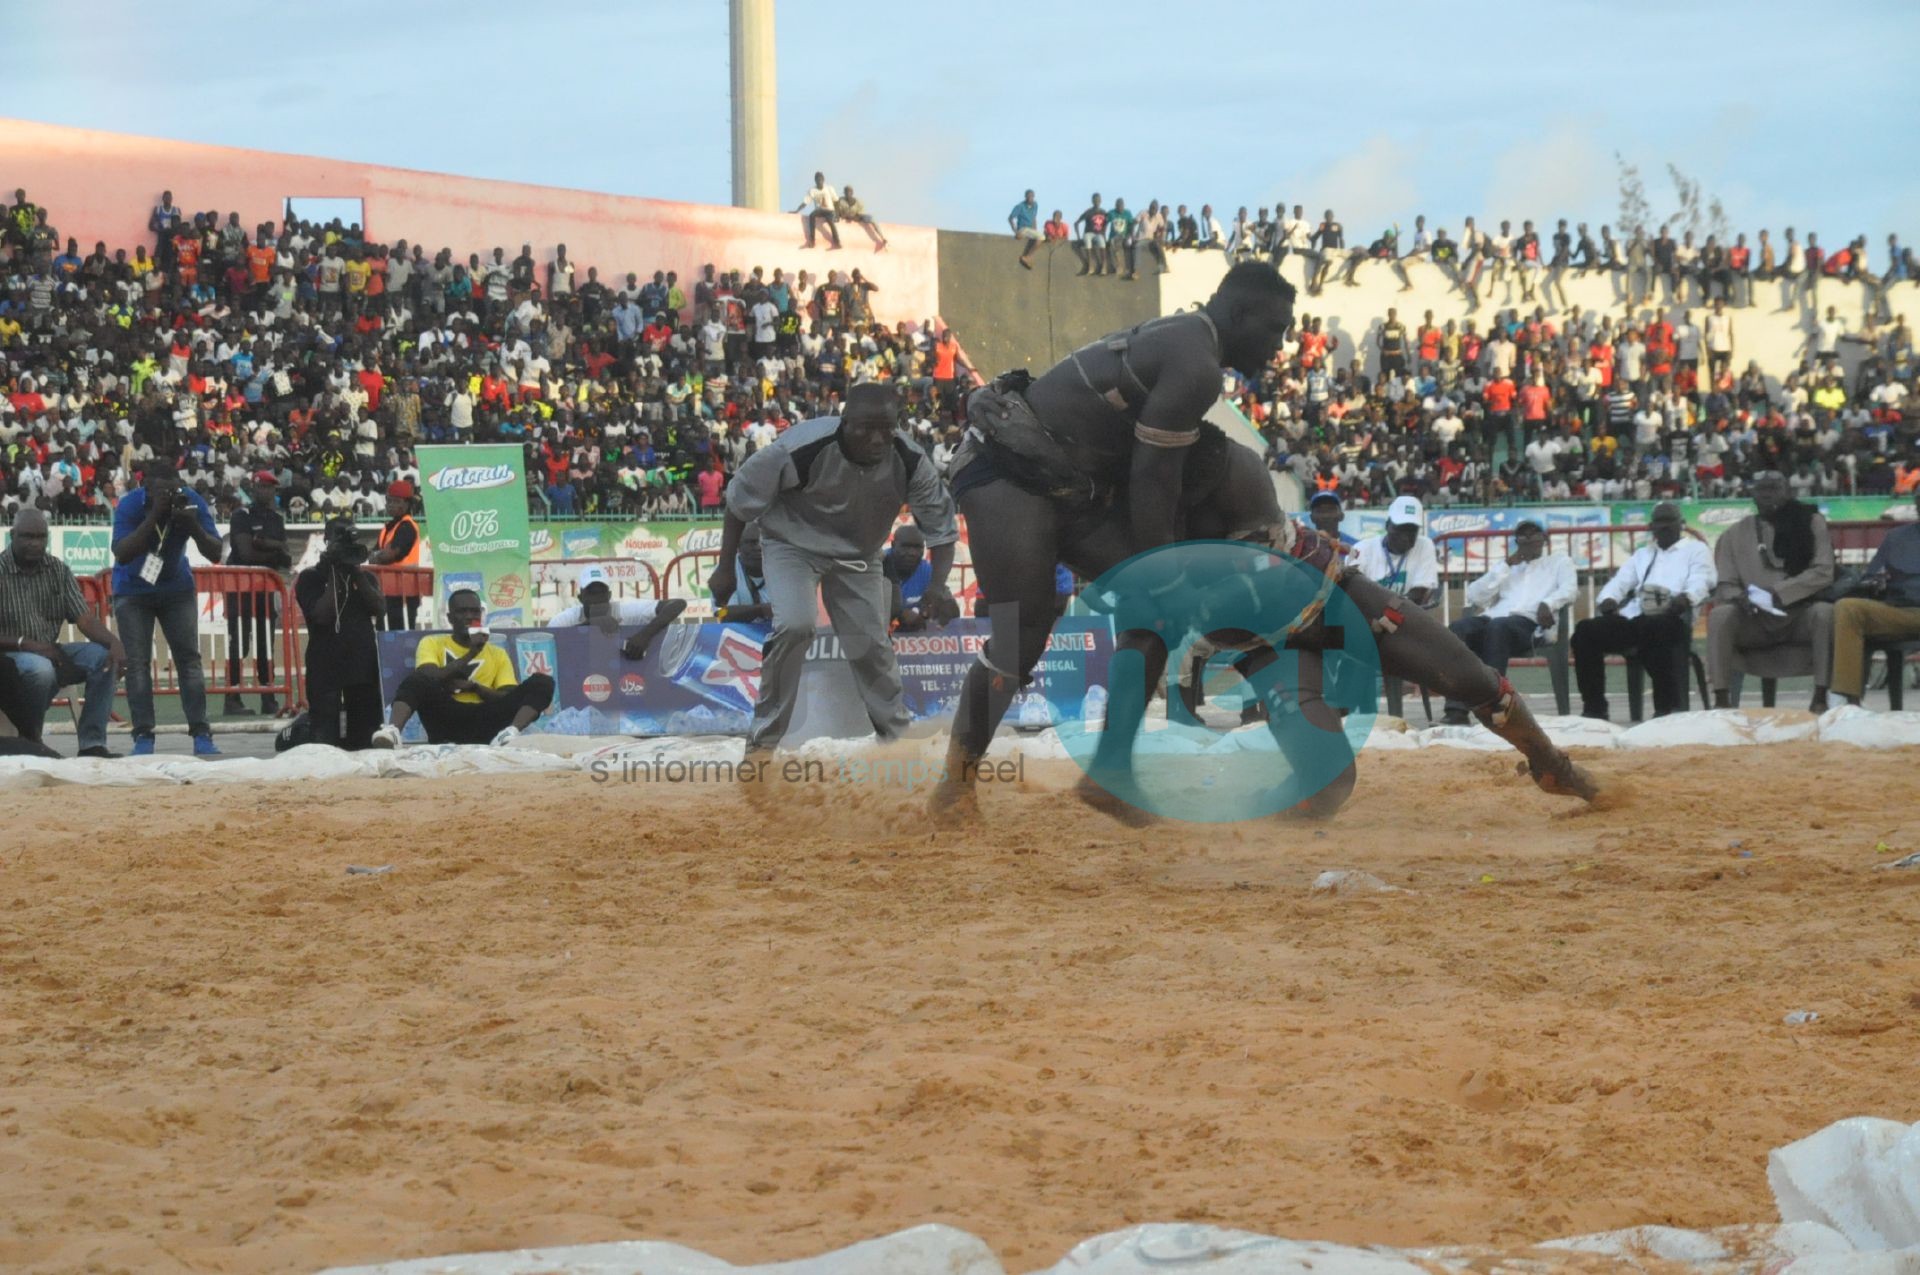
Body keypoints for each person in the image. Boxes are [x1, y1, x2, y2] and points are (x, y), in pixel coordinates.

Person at [930, 263, 1297, 815]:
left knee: (1156, 614)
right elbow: (1152, 480)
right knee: (1022, 634)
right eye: (1276, 329)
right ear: (1240, 314)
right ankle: (954, 788)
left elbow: (1154, 479)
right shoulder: (1195, 363)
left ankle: (1110, 771)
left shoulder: (1187, 342)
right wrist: (1165, 572)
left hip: (1068, 483)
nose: (1281, 345)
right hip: (1005, 470)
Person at [708, 383, 959, 757]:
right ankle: (762, 744)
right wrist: (724, 566)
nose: (877, 440)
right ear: (845, 422)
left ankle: (897, 743)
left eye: (886, 430)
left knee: (871, 644)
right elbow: (739, 500)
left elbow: (941, 526)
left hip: (858, 555)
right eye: (865, 429)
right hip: (791, 544)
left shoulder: (908, 459)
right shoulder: (801, 448)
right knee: (796, 625)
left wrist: (938, 585)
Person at [110, 469, 225, 757]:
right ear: (144, 488)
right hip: (132, 590)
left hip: (176, 589)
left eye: (172, 492)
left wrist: (193, 526)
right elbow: (122, 552)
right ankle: (143, 736)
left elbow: (215, 552)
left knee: (189, 660)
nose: (168, 498)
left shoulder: (192, 502)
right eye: (160, 494)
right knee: (137, 664)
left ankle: (201, 733)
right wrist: (153, 517)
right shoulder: (130, 504)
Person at [0, 507, 126, 757]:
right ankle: (32, 738)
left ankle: (92, 744)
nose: (35, 544)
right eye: (27, 536)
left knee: (103, 658)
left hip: (52, 650)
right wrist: (29, 644)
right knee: (40, 669)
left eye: (40, 537)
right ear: (12, 535)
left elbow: (84, 620)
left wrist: (115, 644)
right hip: (11, 655)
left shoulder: (57, 569)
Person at [1573, 502, 1716, 720]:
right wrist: (1608, 599)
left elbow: (1702, 579)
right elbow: (1620, 581)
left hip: (1674, 617)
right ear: (1651, 526)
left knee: (1654, 628)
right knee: (1585, 631)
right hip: (1637, 619)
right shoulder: (1643, 554)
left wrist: (1686, 597)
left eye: (1670, 520)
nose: (1665, 526)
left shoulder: (1696, 550)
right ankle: (1595, 708)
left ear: (1682, 524)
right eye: (1659, 521)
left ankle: (1665, 707)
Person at [1707, 471, 1835, 711]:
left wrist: (1779, 593)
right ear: (1752, 495)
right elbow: (1726, 584)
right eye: (1762, 489)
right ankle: (1721, 699)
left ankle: (1820, 696)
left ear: (1788, 491)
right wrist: (1740, 598)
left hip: (1799, 614)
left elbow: (1823, 571)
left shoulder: (1811, 522)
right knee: (1719, 615)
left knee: (1825, 613)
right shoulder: (1733, 534)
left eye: (1775, 488)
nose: (1767, 494)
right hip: (1753, 619)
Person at [371, 589, 555, 747]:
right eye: (462, 611)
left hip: (486, 719)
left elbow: (507, 695)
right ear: (450, 617)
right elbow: (428, 675)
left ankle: (510, 734)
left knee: (543, 681)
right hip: (446, 718)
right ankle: (392, 732)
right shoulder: (431, 642)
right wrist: (471, 654)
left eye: (475, 612)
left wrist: (474, 687)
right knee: (415, 679)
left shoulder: (497, 653)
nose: (469, 617)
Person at [1440, 520, 1576, 725]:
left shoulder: (1559, 561)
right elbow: (1475, 596)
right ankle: (1456, 711)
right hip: (1494, 619)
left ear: (1545, 539)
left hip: (1529, 624)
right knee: (1458, 629)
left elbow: (1569, 589)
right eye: (1523, 535)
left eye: (1534, 533)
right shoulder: (1507, 566)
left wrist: (1548, 603)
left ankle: (1493, 706)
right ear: (1516, 541)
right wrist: (1505, 566)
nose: (1528, 538)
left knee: (1499, 627)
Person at [294, 516, 386, 749]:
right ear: (326, 540)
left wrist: (355, 570)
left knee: (365, 736)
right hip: (325, 663)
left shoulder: (366, 577)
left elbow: (379, 609)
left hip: (362, 663)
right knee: (324, 736)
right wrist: (334, 570)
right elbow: (323, 616)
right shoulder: (310, 578)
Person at [1828, 490, 1920, 706]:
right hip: (1899, 610)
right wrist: (1876, 582)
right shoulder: (1897, 537)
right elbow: (1870, 576)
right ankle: (1847, 703)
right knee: (1848, 608)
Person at [223, 470, 290, 717]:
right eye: (262, 487)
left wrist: (263, 544)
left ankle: (268, 696)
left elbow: (285, 557)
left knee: (265, 643)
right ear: (253, 488)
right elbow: (246, 553)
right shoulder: (241, 515)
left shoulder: (275, 518)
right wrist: (273, 550)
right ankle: (232, 698)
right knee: (239, 642)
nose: (266, 491)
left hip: (263, 587)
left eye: (270, 487)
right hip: (241, 587)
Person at [547, 564, 689, 660]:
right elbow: (547, 646)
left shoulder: (624, 611)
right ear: (580, 597)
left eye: (601, 592)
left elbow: (677, 604)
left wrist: (644, 636)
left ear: (609, 595)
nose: (597, 598)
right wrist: (589, 626)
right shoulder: (564, 620)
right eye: (591, 593)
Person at [1351, 496, 1439, 608]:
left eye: (1412, 530)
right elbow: (1354, 590)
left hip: (1408, 615)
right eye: (1401, 528)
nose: (1405, 537)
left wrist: (1390, 608)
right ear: (1387, 526)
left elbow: (1418, 593)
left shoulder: (1425, 545)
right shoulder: (1361, 549)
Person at [369, 480, 422, 630]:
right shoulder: (389, 527)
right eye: (389, 500)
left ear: (407, 504)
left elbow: (387, 556)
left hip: (404, 594)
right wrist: (378, 555)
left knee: (400, 639)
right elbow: (375, 554)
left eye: (396, 501)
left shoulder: (407, 527)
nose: (390, 504)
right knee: (384, 636)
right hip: (388, 592)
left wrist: (378, 556)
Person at [714, 523, 773, 625]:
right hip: (740, 636)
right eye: (751, 542)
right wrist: (762, 610)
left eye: (763, 542)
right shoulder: (725, 571)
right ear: (738, 546)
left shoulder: (784, 569)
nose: (758, 547)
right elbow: (721, 614)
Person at [883, 525, 933, 630]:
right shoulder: (878, 566)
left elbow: (943, 603)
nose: (912, 553)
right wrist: (900, 614)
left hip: (911, 640)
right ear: (893, 545)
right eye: (905, 547)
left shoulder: (927, 570)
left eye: (918, 547)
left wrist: (927, 611)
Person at [1009, 189, 1042, 269]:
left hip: (1030, 230)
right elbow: (1010, 218)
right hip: (1023, 228)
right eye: (1029, 196)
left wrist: (1035, 230)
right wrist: (1015, 231)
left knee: (1039, 237)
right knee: (1041, 237)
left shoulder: (1035, 205)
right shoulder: (1020, 206)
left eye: (1032, 196)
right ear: (1025, 197)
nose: (1031, 198)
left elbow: (1034, 218)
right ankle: (1027, 257)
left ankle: (1028, 257)